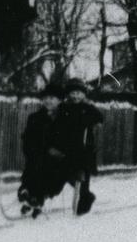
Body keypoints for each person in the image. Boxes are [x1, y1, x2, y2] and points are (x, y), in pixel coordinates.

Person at [18, 84, 66, 217]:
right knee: (35, 163)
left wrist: (59, 151)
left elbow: (68, 138)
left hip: (58, 157)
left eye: (52, 98)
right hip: (38, 154)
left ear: (60, 100)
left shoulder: (65, 118)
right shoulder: (35, 117)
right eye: (46, 98)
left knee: (49, 168)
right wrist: (34, 150)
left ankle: (36, 196)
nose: (48, 101)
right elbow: (28, 138)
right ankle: (27, 192)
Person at [55, 78, 103, 215]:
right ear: (68, 94)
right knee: (69, 174)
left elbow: (100, 118)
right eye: (73, 93)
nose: (75, 96)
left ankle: (84, 201)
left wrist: (93, 120)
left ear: (84, 94)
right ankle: (87, 196)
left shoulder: (88, 108)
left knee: (83, 177)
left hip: (84, 148)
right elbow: (58, 122)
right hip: (69, 147)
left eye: (78, 93)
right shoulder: (64, 107)